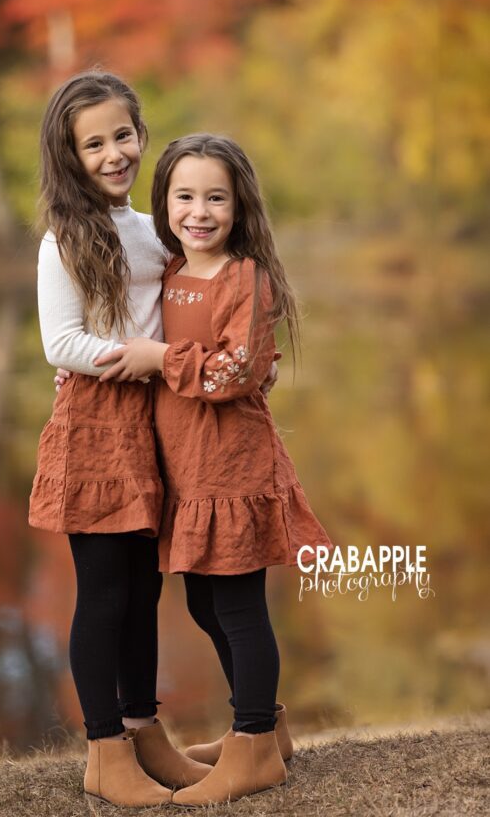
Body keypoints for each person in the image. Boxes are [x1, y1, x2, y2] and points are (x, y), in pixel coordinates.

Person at [93, 133, 333, 805]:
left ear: (238, 204)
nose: (199, 210)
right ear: (164, 201)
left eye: (215, 197)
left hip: (231, 468)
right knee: (203, 601)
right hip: (187, 470)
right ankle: (267, 733)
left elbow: (237, 370)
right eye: (185, 196)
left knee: (236, 604)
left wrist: (158, 360)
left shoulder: (243, 278)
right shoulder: (170, 273)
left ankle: (252, 743)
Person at [29, 71, 215, 806]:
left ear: (141, 135)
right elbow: (59, 343)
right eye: (94, 143)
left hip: (158, 425)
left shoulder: (153, 232)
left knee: (146, 592)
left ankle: (146, 735)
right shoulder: (65, 240)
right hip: (97, 427)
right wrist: (136, 363)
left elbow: (176, 310)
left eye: (122, 135)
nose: (113, 153)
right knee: (103, 595)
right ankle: (104, 752)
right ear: (69, 156)